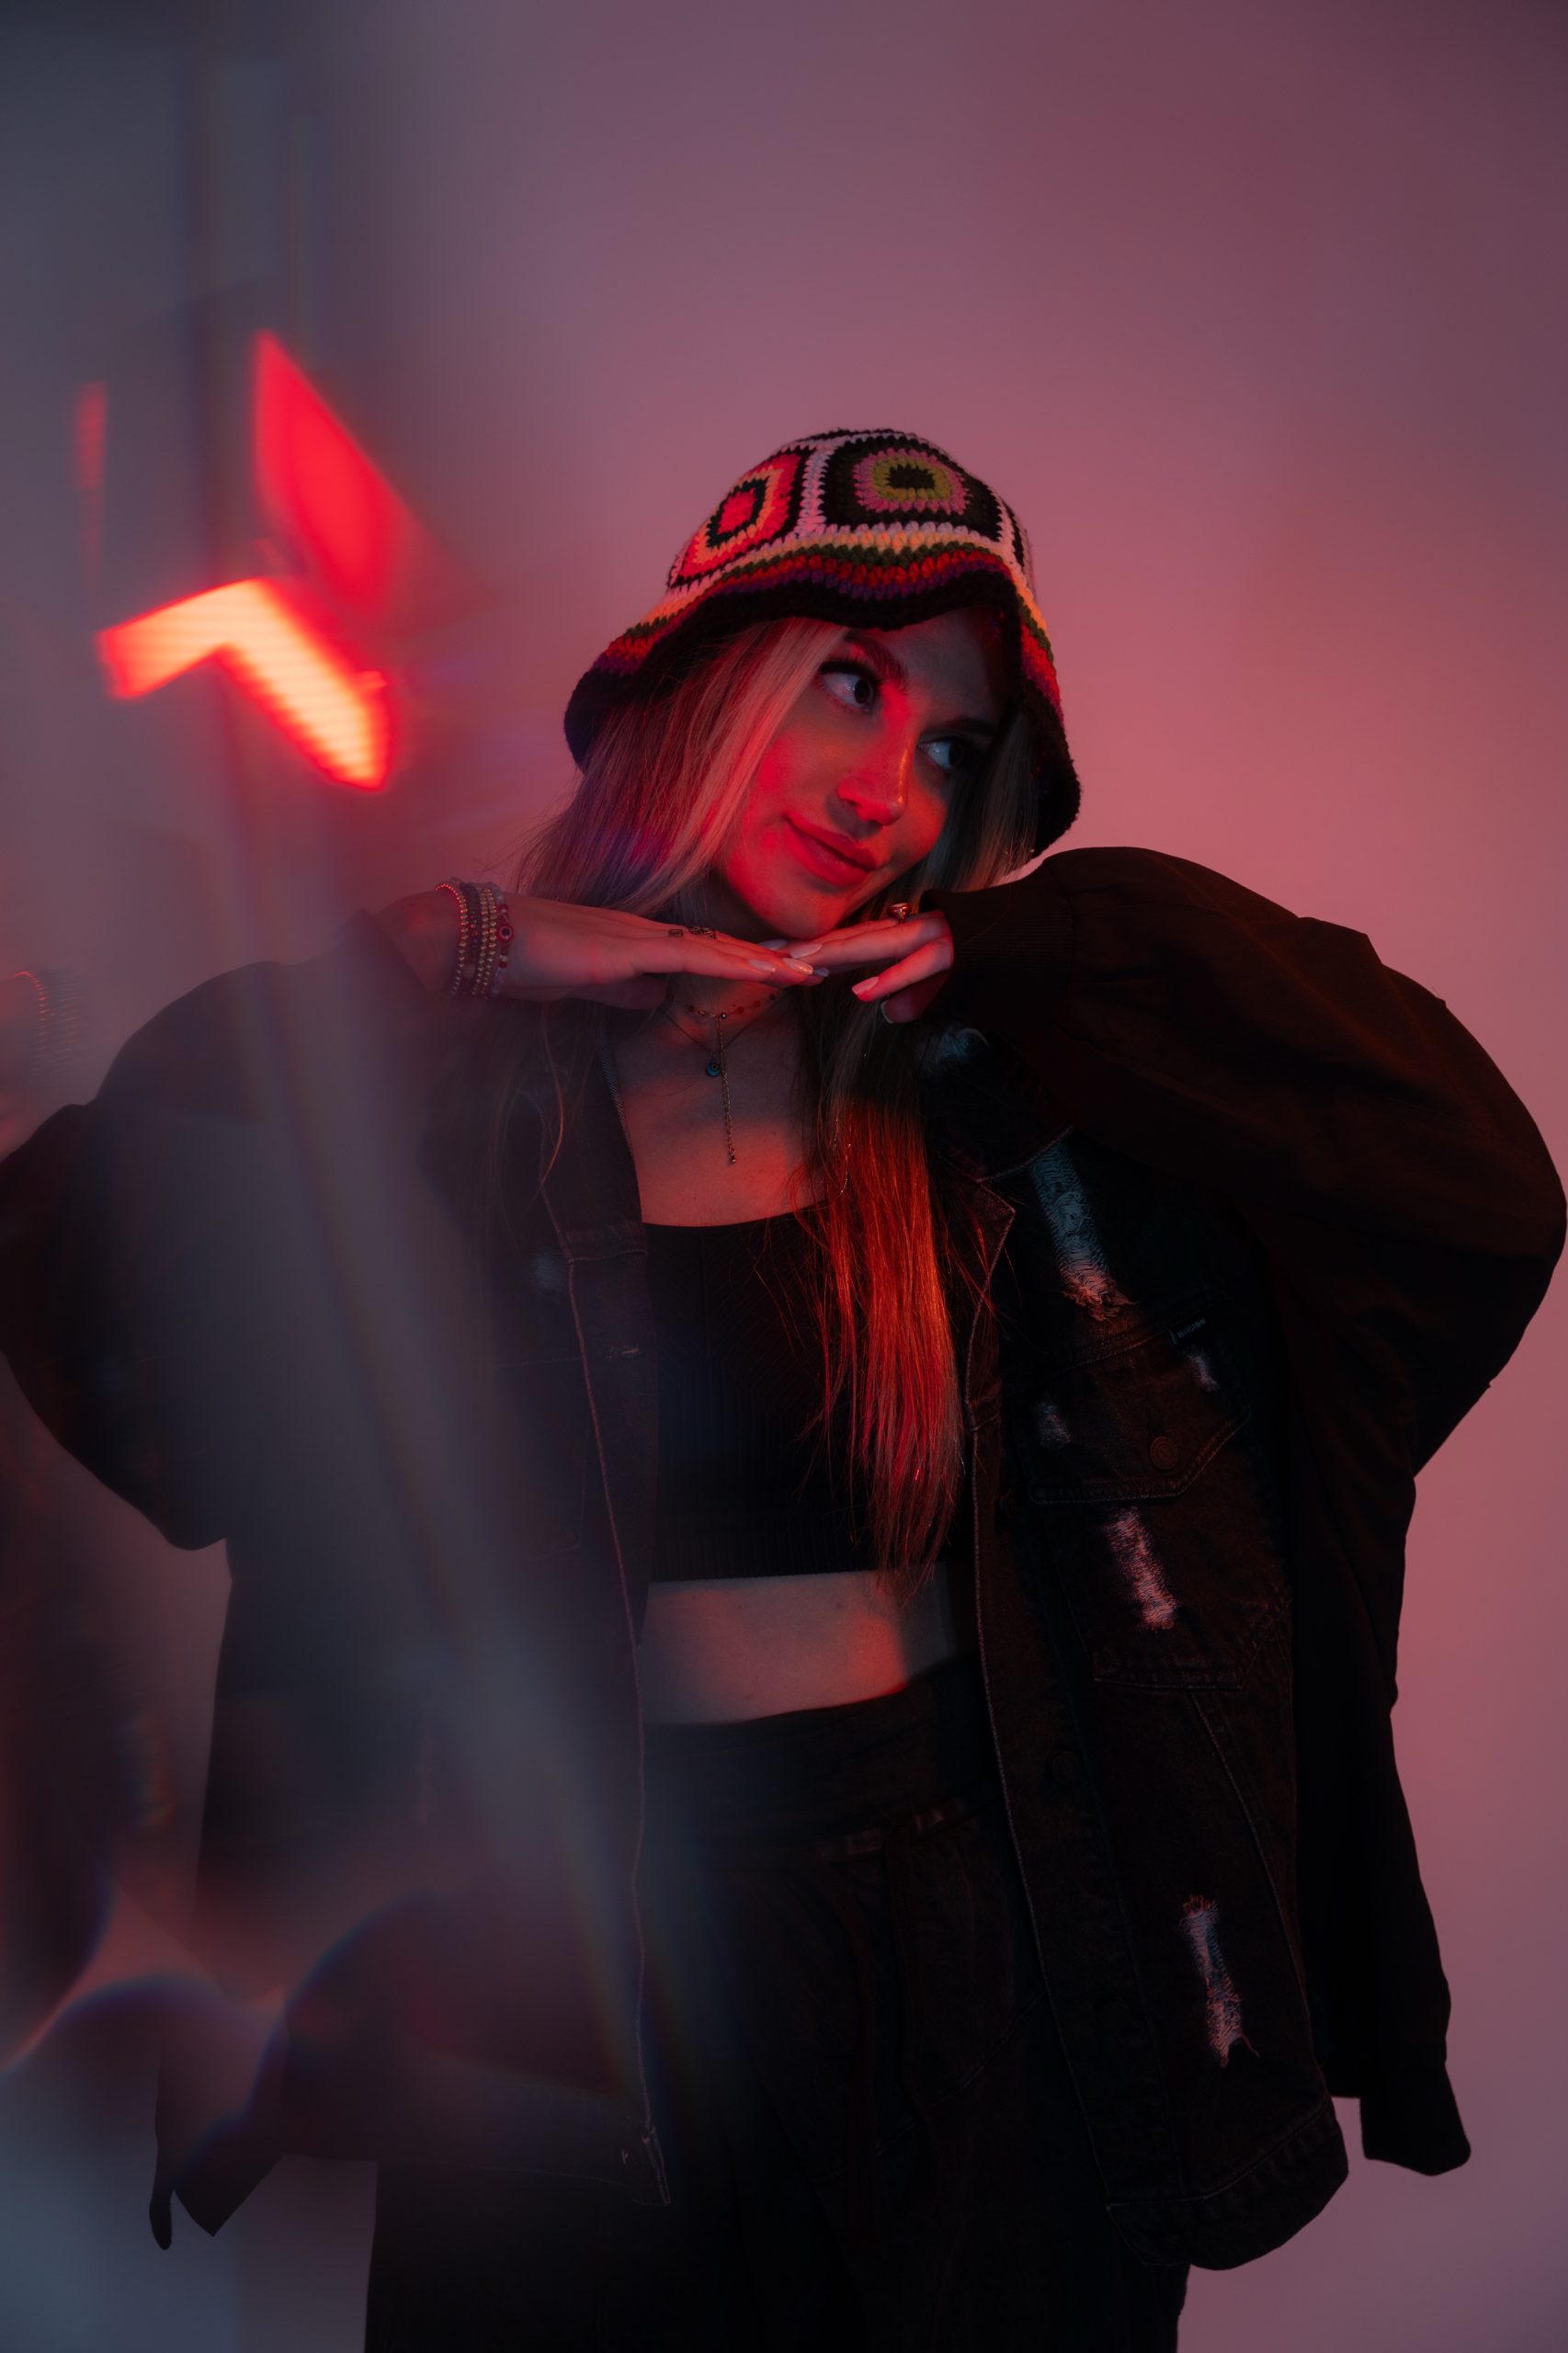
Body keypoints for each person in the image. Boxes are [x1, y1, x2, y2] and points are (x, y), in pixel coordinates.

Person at [0, 427, 1561, 2351]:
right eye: (847, 682)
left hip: (987, 1964)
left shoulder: (1010, 1115)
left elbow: (1468, 1191)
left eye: (954, 750)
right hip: (570, 1987)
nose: (889, 789)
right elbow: (88, 1292)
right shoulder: (454, 1116)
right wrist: (439, 953)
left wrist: (1040, 942)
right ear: (700, 685)